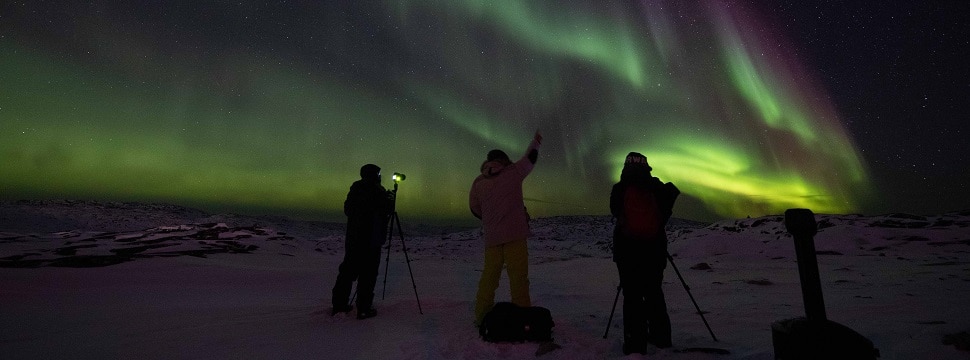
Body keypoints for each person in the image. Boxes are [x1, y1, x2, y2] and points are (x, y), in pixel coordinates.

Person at [468, 131, 542, 327]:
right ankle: (523, 318)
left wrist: (491, 219)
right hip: (515, 235)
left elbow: (475, 208)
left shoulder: (478, 182)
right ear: (503, 159)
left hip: (492, 238)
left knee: (489, 278)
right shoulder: (513, 172)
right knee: (518, 278)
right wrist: (536, 141)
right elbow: (530, 158)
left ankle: (482, 315)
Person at [609, 152, 679, 354]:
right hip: (654, 251)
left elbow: (615, 210)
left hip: (628, 252)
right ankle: (661, 338)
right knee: (654, 293)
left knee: (632, 297)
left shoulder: (620, 189)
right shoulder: (657, 187)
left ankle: (635, 345)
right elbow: (668, 205)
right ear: (646, 167)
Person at [332, 163, 394, 319]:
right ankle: (364, 309)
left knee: (347, 272)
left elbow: (348, 210)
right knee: (368, 274)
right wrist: (389, 200)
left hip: (354, 240)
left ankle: (339, 306)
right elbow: (386, 211)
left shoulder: (356, 188)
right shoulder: (378, 192)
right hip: (372, 241)